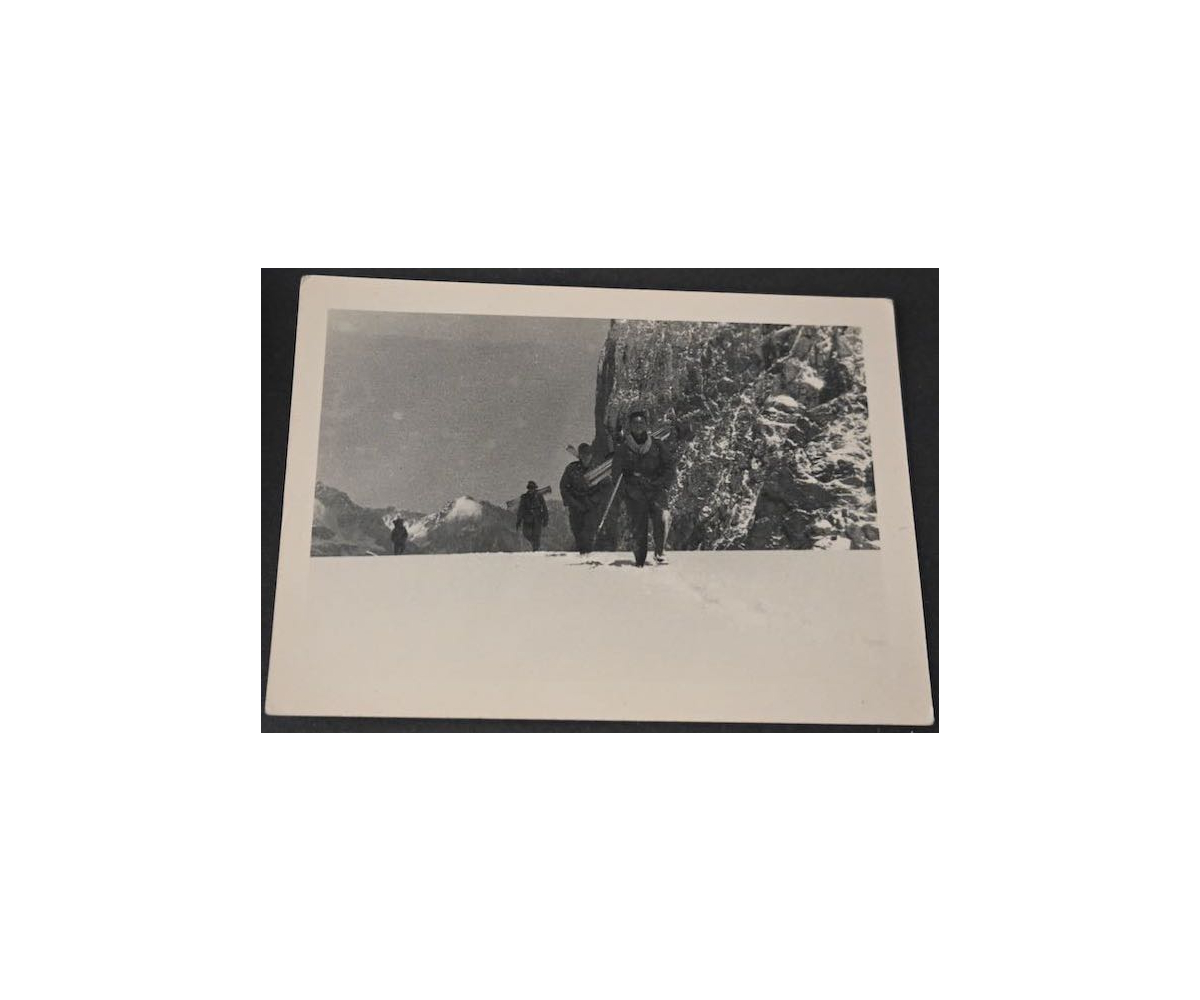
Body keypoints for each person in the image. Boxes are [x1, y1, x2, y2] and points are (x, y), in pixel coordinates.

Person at [610, 410, 673, 567]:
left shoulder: (657, 445)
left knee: (662, 517)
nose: (638, 426)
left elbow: (669, 467)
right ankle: (640, 559)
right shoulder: (623, 448)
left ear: (646, 425)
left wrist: (662, 483)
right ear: (630, 426)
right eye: (635, 423)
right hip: (634, 492)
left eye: (641, 423)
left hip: (655, 488)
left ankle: (660, 552)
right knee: (638, 527)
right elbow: (616, 473)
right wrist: (626, 491)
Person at [559, 443, 605, 555]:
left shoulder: (598, 470)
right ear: (580, 456)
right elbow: (564, 487)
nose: (586, 458)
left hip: (591, 507)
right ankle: (582, 554)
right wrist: (572, 502)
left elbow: (604, 487)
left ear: (591, 455)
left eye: (588, 455)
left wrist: (594, 501)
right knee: (577, 532)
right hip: (576, 506)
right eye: (584, 455)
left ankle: (587, 555)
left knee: (588, 532)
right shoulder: (571, 469)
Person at [515, 480, 549, 552]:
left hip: (537, 518)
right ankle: (534, 545)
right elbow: (521, 509)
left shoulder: (539, 496)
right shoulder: (524, 497)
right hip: (527, 519)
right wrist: (519, 520)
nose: (531, 489)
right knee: (526, 533)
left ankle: (535, 550)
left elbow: (544, 507)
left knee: (537, 535)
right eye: (530, 488)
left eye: (532, 488)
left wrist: (545, 519)